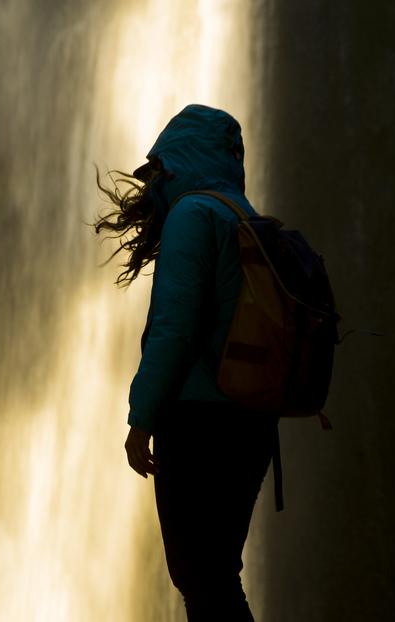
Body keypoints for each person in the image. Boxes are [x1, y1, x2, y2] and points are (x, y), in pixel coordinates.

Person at [95, 104, 279, 622]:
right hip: (252, 423)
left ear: (174, 163)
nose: (152, 184)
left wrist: (141, 418)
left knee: (201, 576)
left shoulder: (191, 216)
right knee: (217, 573)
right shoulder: (243, 215)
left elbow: (173, 331)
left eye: (157, 171)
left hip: (200, 422)